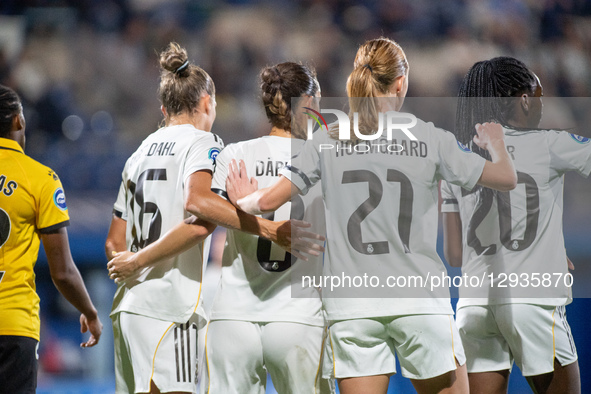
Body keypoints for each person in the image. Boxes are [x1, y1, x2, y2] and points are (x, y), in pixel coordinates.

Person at [230, 37, 517, 394]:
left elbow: (266, 200)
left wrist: (243, 201)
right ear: (401, 83)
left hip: (351, 308)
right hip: (419, 300)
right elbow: (505, 179)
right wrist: (497, 144)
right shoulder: (430, 138)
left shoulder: (327, 140)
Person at [105, 44, 322, 394]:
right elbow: (201, 212)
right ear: (207, 102)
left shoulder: (141, 153)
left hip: (148, 309)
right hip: (181, 307)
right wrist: (266, 226)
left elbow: (113, 244)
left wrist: (133, 265)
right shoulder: (208, 145)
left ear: (164, 108)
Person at [440, 56, 583, 394]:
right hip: (532, 301)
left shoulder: (457, 158)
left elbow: (455, 254)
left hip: (474, 304)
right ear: (523, 99)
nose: (542, 105)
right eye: (539, 96)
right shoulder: (551, 144)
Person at [0, 84, 102, 393]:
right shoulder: (40, 178)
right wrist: (90, 312)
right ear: (19, 121)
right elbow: (63, 271)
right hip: (12, 325)